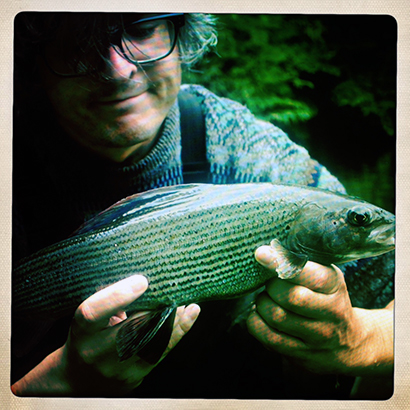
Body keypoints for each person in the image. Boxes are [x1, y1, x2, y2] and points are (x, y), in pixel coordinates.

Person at [11, 12, 394, 398]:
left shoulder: (251, 152)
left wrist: (358, 338)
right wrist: (56, 383)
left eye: (140, 29)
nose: (118, 69)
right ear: (31, 58)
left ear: (179, 32)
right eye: (79, 41)